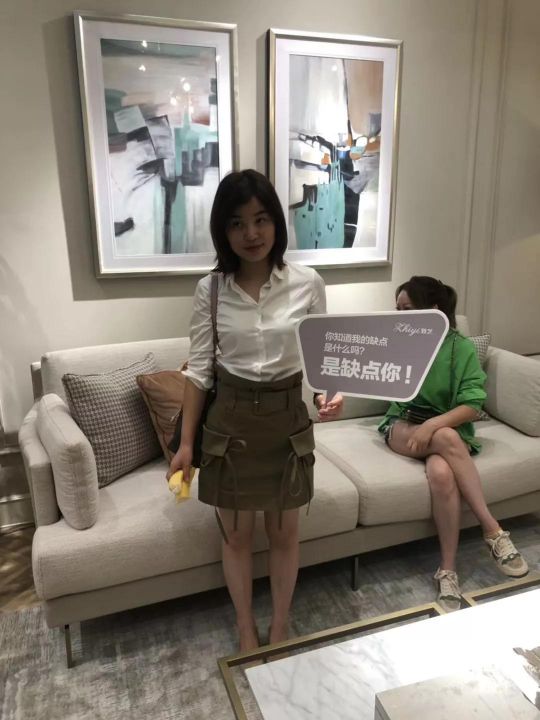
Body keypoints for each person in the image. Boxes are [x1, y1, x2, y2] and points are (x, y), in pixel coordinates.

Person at [168, 169, 343, 652]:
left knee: (284, 535)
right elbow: (199, 371)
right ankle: (246, 629)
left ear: (277, 223)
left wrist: (327, 393)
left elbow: (322, 356)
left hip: (287, 422)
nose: (251, 233)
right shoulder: (211, 290)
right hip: (231, 424)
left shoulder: (307, 283)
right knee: (237, 538)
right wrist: (187, 445)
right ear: (223, 231)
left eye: (261, 219)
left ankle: (280, 626)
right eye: (237, 223)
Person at [378, 276, 528, 611]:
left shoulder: (460, 348)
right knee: (446, 437)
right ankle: (493, 530)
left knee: (443, 474)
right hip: (402, 425)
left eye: (406, 310)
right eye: (397, 310)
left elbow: (473, 404)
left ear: (433, 311)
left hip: (444, 432)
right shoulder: (398, 343)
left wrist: (432, 425)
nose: (399, 317)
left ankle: (447, 571)